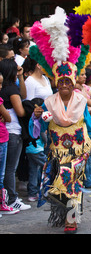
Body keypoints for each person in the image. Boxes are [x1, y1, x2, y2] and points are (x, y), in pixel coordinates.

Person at [28, 6, 91, 233]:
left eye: (68, 81)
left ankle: (71, 220)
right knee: (65, 182)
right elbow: (38, 127)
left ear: (73, 81)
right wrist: (37, 117)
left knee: (72, 182)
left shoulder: (80, 100)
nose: (65, 85)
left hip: (79, 150)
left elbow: (89, 124)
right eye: (61, 82)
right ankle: (68, 215)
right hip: (58, 150)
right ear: (57, 83)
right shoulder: (49, 102)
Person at [22, 57, 53, 202]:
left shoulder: (46, 79)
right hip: (37, 122)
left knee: (41, 158)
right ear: (38, 65)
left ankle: (36, 189)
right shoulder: (29, 81)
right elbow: (28, 104)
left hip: (48, 119)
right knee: (41, 159)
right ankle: (39, 189)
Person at [0, 58, 29, 211]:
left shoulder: (5, 88)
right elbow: (21, 111)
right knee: (10, 169)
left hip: (8, 133)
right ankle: (11, 199)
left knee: (6, 169)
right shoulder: (11, 90)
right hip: (12, 132)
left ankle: (8, 198)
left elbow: (23, 94)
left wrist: (20, 77)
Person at [0, 71, 18, 216]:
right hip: (2, 138)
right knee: (2, 173)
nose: (1, 87)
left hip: (3, 137)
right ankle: (3, 203)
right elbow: (8, 117)